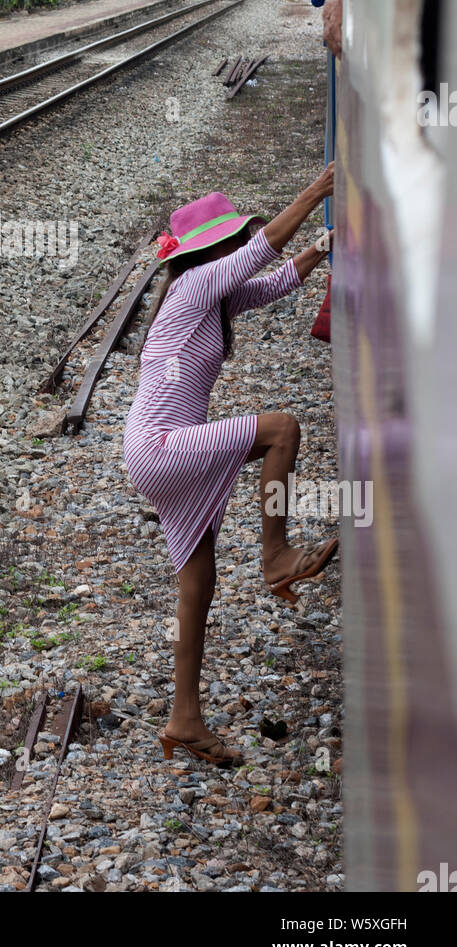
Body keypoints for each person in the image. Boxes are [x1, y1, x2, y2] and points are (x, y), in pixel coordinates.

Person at [122, 169, 336, 767]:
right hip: (165, 444)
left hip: (155, 449)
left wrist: (324, 244)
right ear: (211, 250)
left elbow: (274, 282)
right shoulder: (193, 287)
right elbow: (262, 249)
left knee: (199, 580)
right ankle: (275, 555)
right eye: (231, 239)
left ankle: (183, 720)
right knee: (281, 429)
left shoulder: (212, 298)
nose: (237, 246)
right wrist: (314, 194)